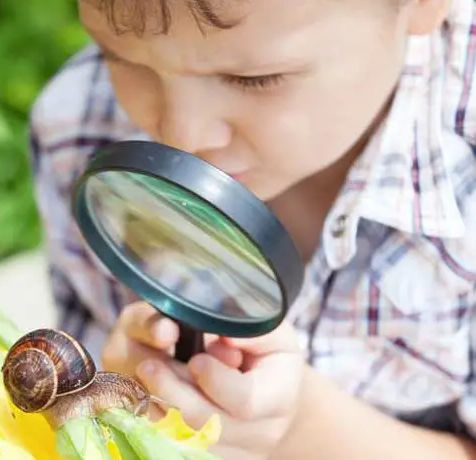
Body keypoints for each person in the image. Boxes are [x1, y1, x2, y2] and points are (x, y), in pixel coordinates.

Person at [29, 0, 476, 459]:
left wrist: (301, 427)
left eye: (254, 78)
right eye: (121, 58)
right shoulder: (79, 125)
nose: (183, 137)